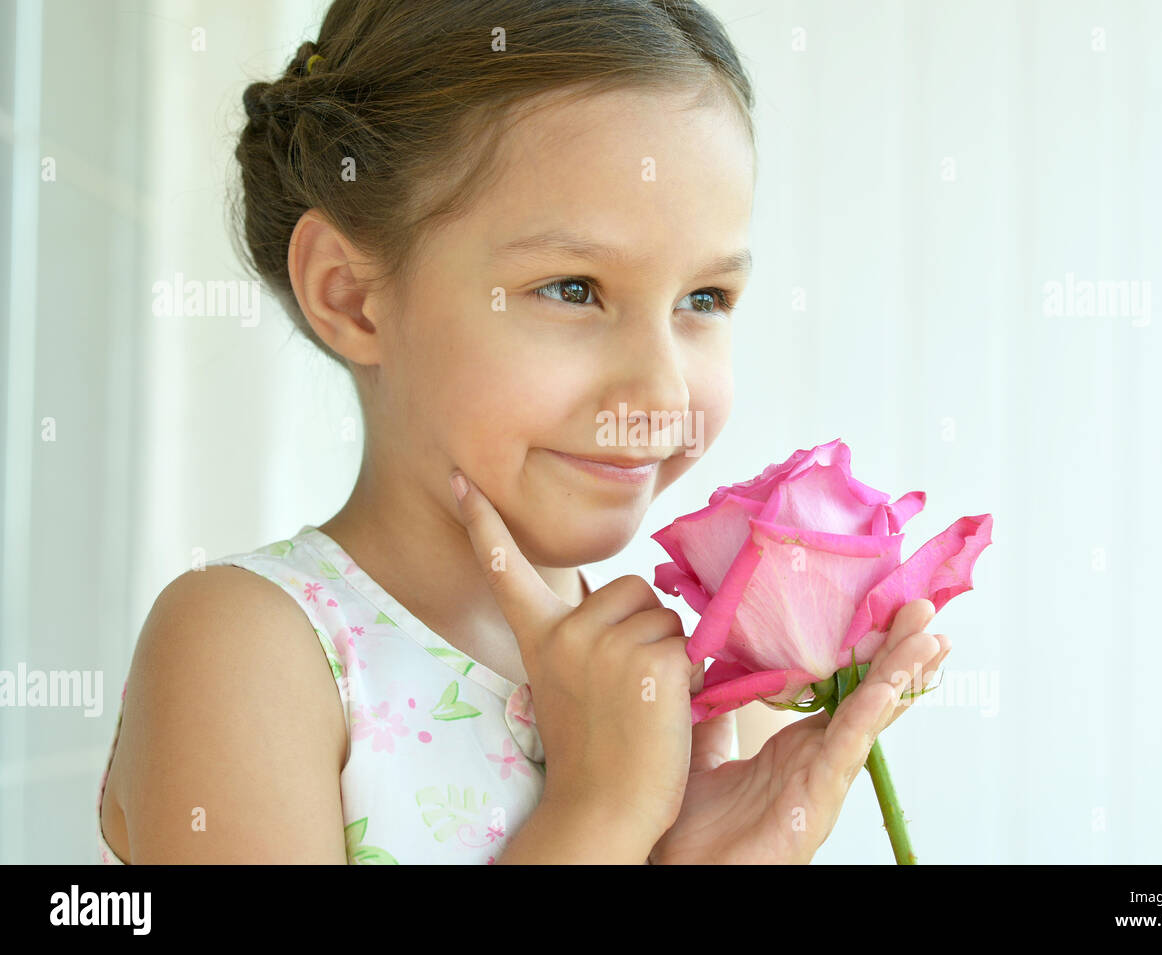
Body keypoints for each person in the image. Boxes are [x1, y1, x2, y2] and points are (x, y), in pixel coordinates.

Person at [96, 0, 946, 865]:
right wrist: (598, 816)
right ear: (351, 295)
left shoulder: (703, 703)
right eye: (573, 288)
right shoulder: (247, 652)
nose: (659, 388)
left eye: (704, 299)